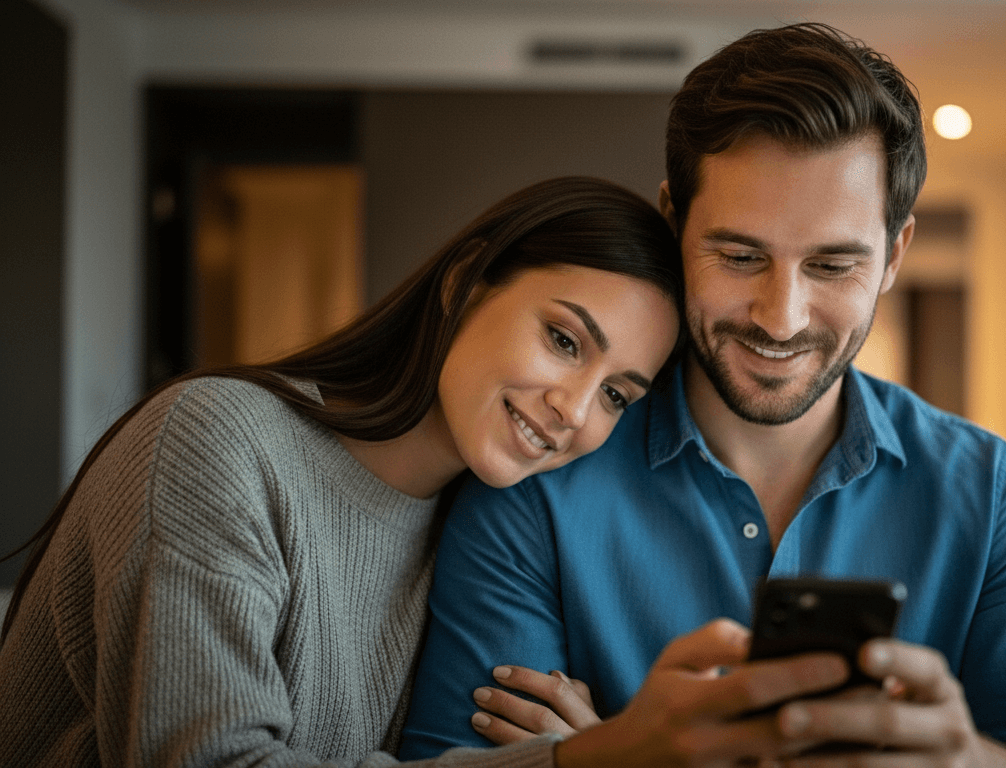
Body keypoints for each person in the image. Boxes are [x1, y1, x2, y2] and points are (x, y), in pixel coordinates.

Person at [398, 23, 1006, 768]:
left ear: (894, 255)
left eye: (832, 264)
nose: (779, 317)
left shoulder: (993, 494)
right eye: (740, 255)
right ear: (673, 222)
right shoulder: (538, 475)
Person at [0, 177, 686, 767]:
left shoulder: (481, 541)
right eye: (564, 340)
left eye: (616, 395)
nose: (574, 409)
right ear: (463, 284)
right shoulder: (219, 439)